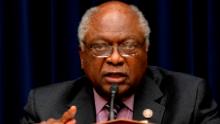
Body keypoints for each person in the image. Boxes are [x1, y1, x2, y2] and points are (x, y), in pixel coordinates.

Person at [21, 1, 220, 124]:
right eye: (100, 47)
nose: (115, 58)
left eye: (129, 45)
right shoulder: (45, 106)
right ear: (82, 56)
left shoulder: (189, 98)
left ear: (146, 53)